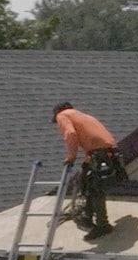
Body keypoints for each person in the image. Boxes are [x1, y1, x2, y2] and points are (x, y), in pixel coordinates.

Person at [52, 102, 129, 241]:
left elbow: (70, 134)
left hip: (98, 155)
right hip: (108, 153)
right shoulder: (84, 116)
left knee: (95, 190)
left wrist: (71, 156)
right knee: (85, 182)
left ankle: (103, 225)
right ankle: (87, 215)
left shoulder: (62, 115)